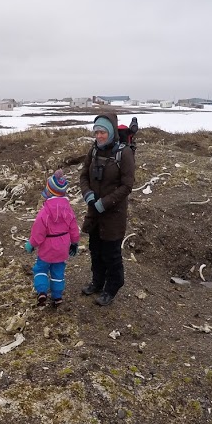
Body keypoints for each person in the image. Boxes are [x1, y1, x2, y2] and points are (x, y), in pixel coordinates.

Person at [78, 113, 136, 306]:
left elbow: (127, 186)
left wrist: (105, 202)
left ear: (111, 132)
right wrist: (87, 194)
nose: (99, 136)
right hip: (94, 212)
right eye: (96, 132)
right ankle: (98, 282)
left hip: (113, 215)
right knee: (95, 250)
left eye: (102, 132)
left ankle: (112, 287)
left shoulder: (124, 153)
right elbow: (83, 176)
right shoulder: (94, 151)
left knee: (111, 253)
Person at [26, 170, 80, 307]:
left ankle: (42, 291)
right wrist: (74, 243)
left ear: (49, 191)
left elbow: (38, 231)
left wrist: (31, 244)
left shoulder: (45, 211)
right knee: (58, 271)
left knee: (40, 269)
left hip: (47, 247)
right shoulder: (68, 209)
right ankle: (57, 296)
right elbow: (74, 228)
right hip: (63, 246)